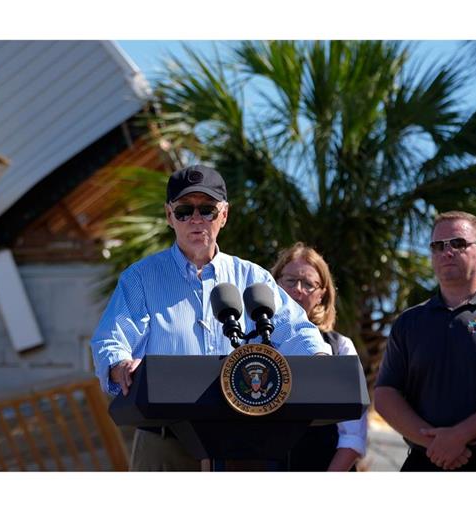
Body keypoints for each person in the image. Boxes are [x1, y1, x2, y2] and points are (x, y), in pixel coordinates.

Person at [90, 164, 330, 471]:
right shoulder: (140, 278)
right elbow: (112, 339)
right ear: (168, 216)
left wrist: (321, 360)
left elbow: (297, 331)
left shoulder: (253, 278)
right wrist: (120, 365)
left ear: (224, 215)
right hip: (166, 440)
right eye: (184, 211)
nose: (196, 220)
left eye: (207, 210)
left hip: (243, 438)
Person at [375, 211, 476, 471]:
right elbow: (386, 394)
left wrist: (459, 436)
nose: (447, 252)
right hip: (424, 463)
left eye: (458, 243)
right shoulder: (409, 322)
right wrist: (435, 443)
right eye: (438, 246)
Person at [271, 242, 368, 471]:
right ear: (274, 283)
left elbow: (353, 434)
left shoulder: (340, 347)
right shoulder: (252, 343)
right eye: (290, 280)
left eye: (308, 284)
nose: (298, 290)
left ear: (322, 294)